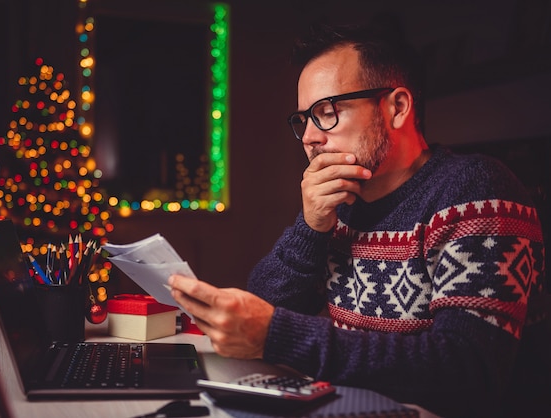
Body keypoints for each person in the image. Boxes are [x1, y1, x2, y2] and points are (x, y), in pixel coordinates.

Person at [168, 20, 548, 417]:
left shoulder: (476, 188)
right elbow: (261, 310)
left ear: (397, 108)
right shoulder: (342, 204)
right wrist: (309, 227)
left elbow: (468, 370)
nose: (311, 137)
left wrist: (279, 335)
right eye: (303, 120)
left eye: (328, 112)